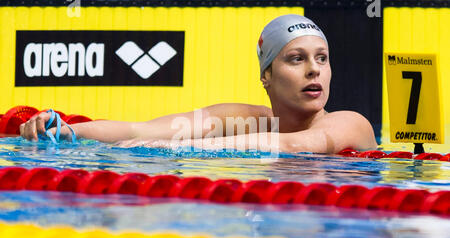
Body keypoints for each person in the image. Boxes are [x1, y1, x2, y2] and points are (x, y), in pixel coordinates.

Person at [20, 14, 377, 154]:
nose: (314, 70)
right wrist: (69, 131)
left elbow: (294, 145)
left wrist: (174, 148)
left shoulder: (349, 123)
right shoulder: (244, 119)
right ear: (266, 75)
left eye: (322, 58)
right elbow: (139, 128)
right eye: (296, 59)